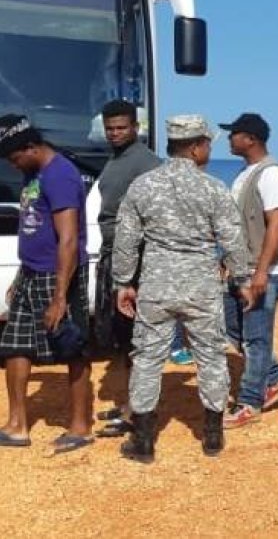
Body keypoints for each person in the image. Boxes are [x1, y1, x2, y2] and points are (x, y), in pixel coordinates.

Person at [112, 115, 253, 461]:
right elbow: (233, 240)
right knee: (211, 358)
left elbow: (126, 239)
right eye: (206, 143)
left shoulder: (142, 185)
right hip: (201, 288)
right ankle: (213, 436)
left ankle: (143, 441)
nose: (207, 149)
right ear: (194, 147)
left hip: (156, 286)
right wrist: (243, 279)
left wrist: (123, 283)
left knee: (147, 360)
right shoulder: (212, 188)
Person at [0, 115, 93, 453]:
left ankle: (81, 426)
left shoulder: (61, 175)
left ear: (31, 146)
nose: (13, 165)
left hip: (59, 275)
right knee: (14, 346)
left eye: (14, 158)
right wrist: (20, 274)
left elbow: (67, 240)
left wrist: (59, 297)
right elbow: (32, 226)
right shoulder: (32, 172)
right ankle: (17, 426)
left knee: (73, 348)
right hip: (30, 274)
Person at [219, 113, 278, 428]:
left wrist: (262, 273)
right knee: (228, 326)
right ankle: (277, 376)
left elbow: (276, 224)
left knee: (256, 338)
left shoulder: (273, 174)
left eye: (234, 134)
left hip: (263, 270)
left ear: (250, 139)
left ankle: (250, 401)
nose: (229, 140)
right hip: (242, 269)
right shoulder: (246, 173)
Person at [92, 100, 160, 438]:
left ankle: (137, 411)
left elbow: (153, 216)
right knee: (121, 337)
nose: (115, 133)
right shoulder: (117, 158)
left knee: (136, 337)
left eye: (122, 127)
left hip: (133, 260)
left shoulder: (145, 162)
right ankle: (128, 404)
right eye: (110, 128)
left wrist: (132, 270)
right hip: (113, 255)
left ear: (136, 127)